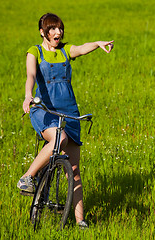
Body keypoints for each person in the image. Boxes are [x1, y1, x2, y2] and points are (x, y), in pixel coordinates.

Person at [17, 13, 114, 229]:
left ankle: (80, 221)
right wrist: (27, 95)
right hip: (44, 109)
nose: (58, 32)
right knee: (58, 138)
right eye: (52, 29)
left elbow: (80, 48)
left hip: (69, 110)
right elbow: (30, 76)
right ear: (43, 32)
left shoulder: (65, 50)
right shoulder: (35, 52)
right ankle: (27, 177)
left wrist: (98, 44)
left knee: (75, 169)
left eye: (60, 29)